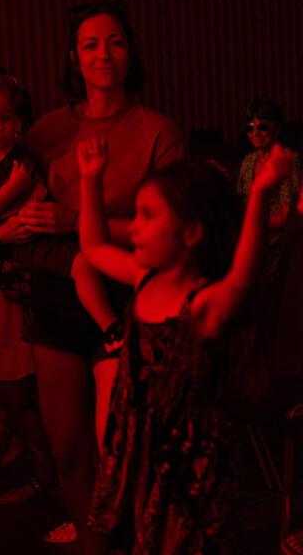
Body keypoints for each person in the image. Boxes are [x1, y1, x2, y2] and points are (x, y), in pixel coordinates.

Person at [0, 0, 184, 552]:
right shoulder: (47, 130)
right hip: (56, 296)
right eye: (91, 45)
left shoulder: (157, 131)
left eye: (115, 42)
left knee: (121, 451)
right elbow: (9, 205)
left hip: (126, 297)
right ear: (74, 58)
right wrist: (10, 227)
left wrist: (74, 219)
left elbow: (169, 229)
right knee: (69, 450)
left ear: (131, 54)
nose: (104, 54)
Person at [77, 136, 295, 553]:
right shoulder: (144, 280)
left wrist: (260, 194)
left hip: (190, 462)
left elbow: (243, 279)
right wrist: (91, 180)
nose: (133, 228)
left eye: (147, 216)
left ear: (192, 232)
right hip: (140, 446)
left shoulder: (203, 304)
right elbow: (94, 247)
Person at [0, 66, 127, 354]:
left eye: (5, 118)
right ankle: (110, 327)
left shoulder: (11, 144)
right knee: (83, 263)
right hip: (31, 236)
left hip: (45, 222)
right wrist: (14, 186)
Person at [236, 97, 301, 285]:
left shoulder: (286, 159)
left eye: (262, 126)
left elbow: (288, 216)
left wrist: (252, 224)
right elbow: (239, 202)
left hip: (274, 243)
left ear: (278, 129)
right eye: (250, 127)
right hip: (247, 237)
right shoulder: (248, 160)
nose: (255, 133)